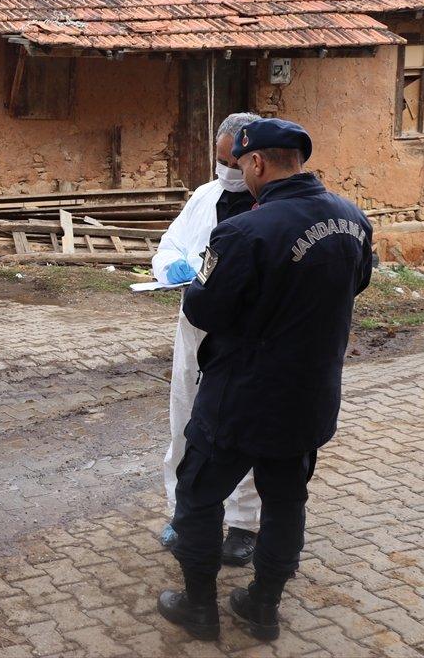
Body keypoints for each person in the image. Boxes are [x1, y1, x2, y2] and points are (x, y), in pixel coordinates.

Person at [157, 118, 373, 642]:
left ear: (256, 162)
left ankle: (200, 607)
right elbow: (358, 281)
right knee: (285, 499)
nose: (236, 174)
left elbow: (205, 307)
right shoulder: (352, 218)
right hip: (309, 394)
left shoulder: (244, 230)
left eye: (240, 164)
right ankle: (262, 607)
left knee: (198, 495)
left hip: (242, 394)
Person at [152, 113, 261, 565]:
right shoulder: (204, 196)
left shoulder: (273, 207)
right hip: (196, 329)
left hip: (246, 337)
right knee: (186, 421)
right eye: (218, 163)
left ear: (255, 160)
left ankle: (244, 526)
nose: (224, 173)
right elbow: (170, 244)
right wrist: (170, 265)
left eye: (231, 164)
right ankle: (185, 511)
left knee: (242, 430)